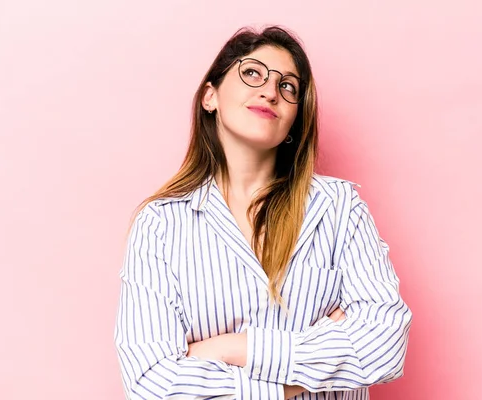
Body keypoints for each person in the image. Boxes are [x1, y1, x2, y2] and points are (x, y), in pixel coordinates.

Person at [114, 25, 412, 399]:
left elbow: (385, 343)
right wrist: (306, 364)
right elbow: (150, 385)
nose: (270, 91)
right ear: (211, 96)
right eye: (251, 72)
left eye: (287, 86)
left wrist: (234, 348)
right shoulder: (159, 224)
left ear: (293, 121)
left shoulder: (338, 208)